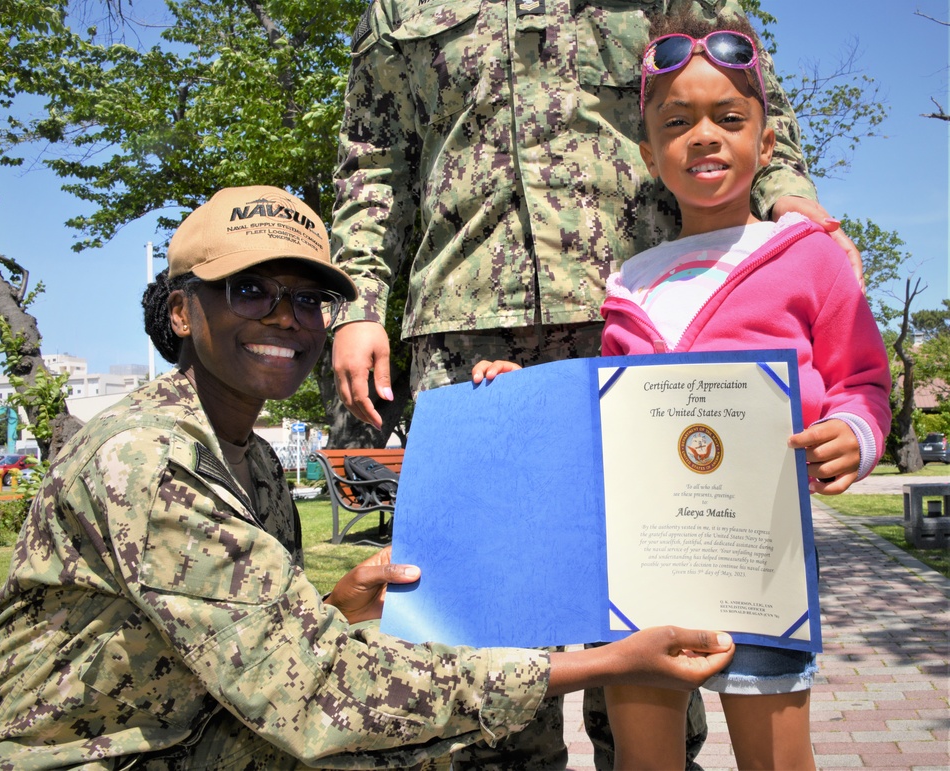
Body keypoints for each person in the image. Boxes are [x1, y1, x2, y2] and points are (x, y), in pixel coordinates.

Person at [0, 185, 737, 770]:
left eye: (309, 297)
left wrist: (333, 605)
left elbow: (247, 655)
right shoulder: (147, 457)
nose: (285, 316)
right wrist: (607, 662)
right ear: (183, 311)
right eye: (249, 289)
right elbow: (316, 690)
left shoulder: (252, 461)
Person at [330, 4, 857, 765]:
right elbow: (371, 155)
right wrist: (360, 301)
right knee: (485, 645)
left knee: (659, 645)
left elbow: (745, 80)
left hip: (644, 316)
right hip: (469, 340)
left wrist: (790, 196)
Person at [474, 12, 891, 769]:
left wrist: (855, 435)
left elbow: (863, 378)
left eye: (730, 118)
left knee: (779, 761)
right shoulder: (628, 281)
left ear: (766, 145)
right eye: (679, 122)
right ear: (649, 152)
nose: (705, 135)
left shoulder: (811, 257)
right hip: (646, 567)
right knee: (646, 760)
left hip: (763, 555)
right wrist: (525, 394)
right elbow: (608, 412)